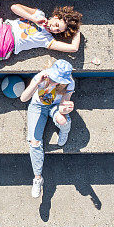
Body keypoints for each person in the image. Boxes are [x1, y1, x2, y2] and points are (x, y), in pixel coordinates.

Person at [20, 59, 75, 198]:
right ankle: (38, 178)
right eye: (54, 78)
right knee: (34, 143)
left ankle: (65, 130)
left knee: (63, 120)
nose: (55, 82)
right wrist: (36, 83)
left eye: (59, 80)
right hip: (37, 107)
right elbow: (24, 98)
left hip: (54, 107)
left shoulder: (69, 83)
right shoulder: (42, 77)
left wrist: (67, 108)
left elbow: (62, 104)